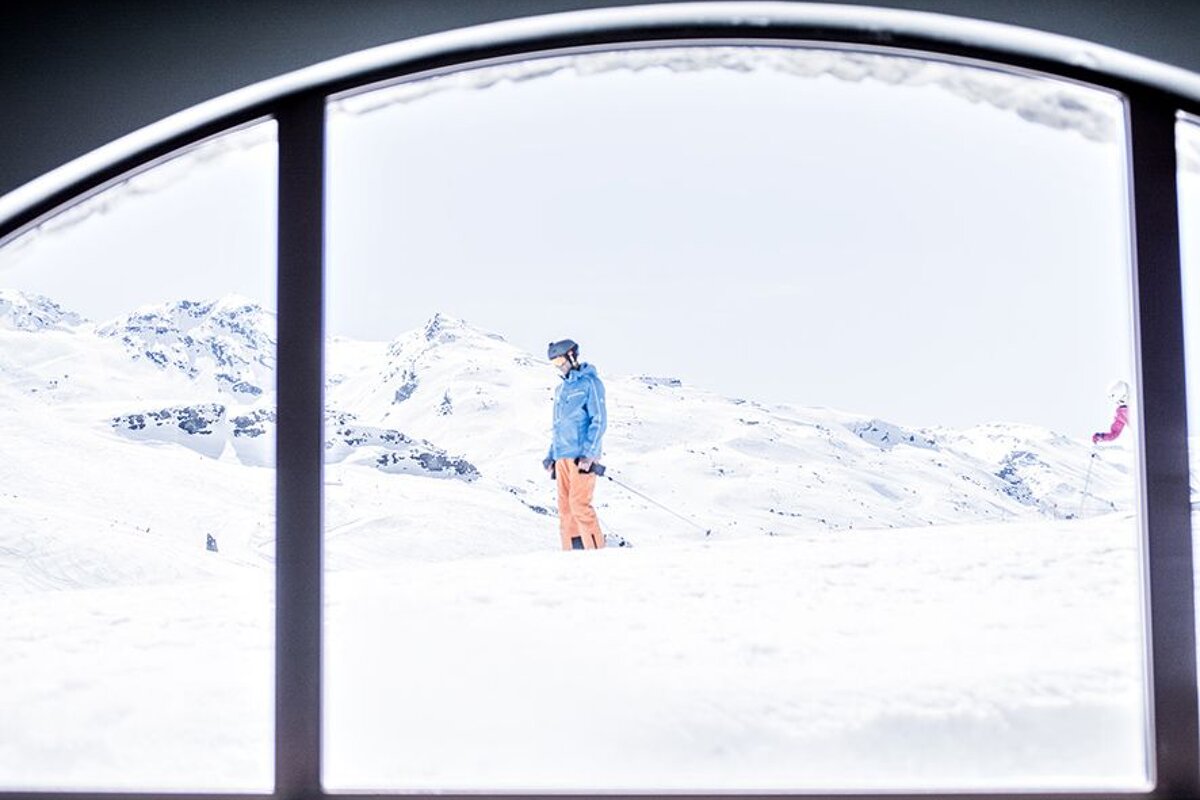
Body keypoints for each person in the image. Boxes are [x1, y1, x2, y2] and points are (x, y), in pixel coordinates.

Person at [542, 338, 607, 550]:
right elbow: (558, 425)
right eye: (554, 363)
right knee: (566, 510)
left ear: (571, 356)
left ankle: (597, 553)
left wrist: (589, 454)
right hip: (562, 457)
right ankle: (574, 558)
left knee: (580, 506)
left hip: (581, 458)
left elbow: (599, 420)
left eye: (560, 360)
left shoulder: (590, 384)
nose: (558, 366)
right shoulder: (560, 391)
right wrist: (552, 456)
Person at [1093, 380, 1130, 444]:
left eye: (1121, 400)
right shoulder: (1121, 414)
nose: (1121, 402)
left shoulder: (1138, 394)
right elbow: (1115, 433)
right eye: (1119, 401)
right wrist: (1102, 436)